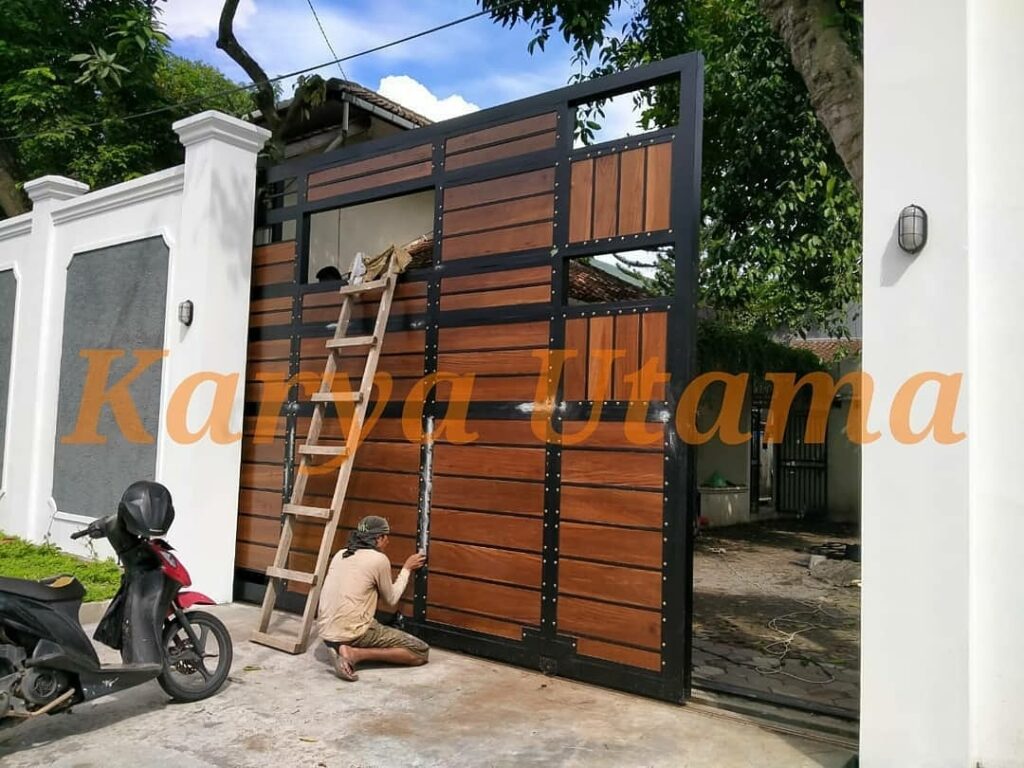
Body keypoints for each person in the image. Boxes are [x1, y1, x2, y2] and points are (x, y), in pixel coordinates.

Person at [316, 515, 428, 681]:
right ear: (378, 538)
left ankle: (340, 647)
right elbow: (391, 600)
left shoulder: (340, 554)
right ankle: (355, 654)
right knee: (420, 651)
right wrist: (407, 568)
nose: (388, 541)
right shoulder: (378, 559)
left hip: (326, 633)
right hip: (354, 632)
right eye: (386, 536)